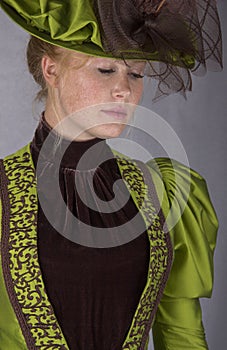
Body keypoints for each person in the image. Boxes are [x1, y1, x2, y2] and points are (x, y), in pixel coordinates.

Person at [0, 1, 223, 349]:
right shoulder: (2, 192)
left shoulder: (164, 192)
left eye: (135, 74)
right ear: (51, 69)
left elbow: (182, 335)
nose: (124, 89)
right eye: (105, 70)